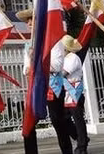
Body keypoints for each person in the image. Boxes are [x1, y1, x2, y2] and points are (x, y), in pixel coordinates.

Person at [17, 9, 74, 154]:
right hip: (36, 87)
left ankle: (67, 151)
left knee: (58, 122)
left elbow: (56, 66)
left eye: (32, 20)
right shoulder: (28, 44)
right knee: (28, 124)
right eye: (28, 21)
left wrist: (37, 58)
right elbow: (26, 70)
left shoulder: (54, 41)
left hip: (52, 87)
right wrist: (31, 59)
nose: (29, 23)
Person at [61, 35, 89, 154]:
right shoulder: (64, 58)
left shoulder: (73, 58)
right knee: (64, 119)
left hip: (74, 91)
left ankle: (82, 146)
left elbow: (63, 73)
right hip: (66, 92)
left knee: (78, 119)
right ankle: (79, 137)